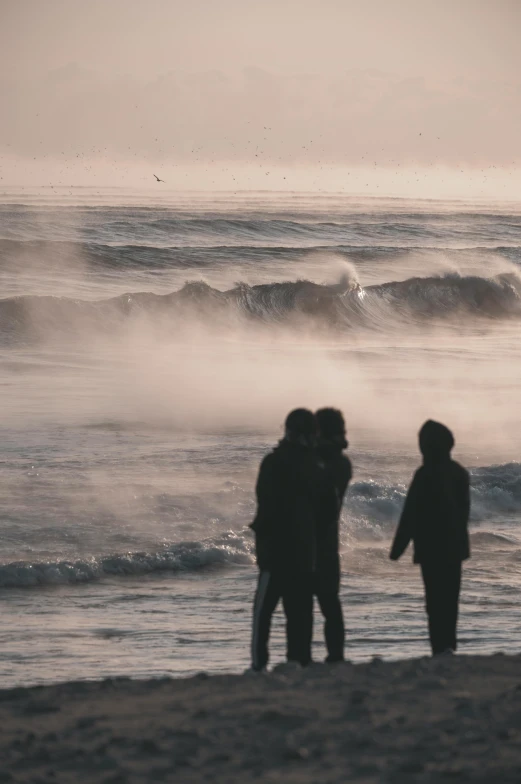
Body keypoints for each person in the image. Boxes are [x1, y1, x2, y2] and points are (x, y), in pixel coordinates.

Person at [250, 408, 322, 671]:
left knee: (263, 613)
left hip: (275, 552)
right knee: (299, 613)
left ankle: (259, 666)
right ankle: (299, 661)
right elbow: (325, 510)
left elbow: (264, 503)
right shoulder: (315, 465)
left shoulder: (273, 462)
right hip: (303, 552)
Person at [390, 420, 470, 655]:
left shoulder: (425, 474)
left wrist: (397, 550)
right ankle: (449, 647)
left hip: (431, 550)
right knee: (450, 600)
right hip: (455, 548)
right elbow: (463, 513)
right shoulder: (459, 472)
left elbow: (410, 515)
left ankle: (439, 646)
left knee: (434, 601)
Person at [314, 408, 352, 662]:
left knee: (309, 605)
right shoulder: (341, 461)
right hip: (328, 543)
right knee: (330, 603)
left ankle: (304, 656)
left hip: (311, 543)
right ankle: (335, 656)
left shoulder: (322, 462)